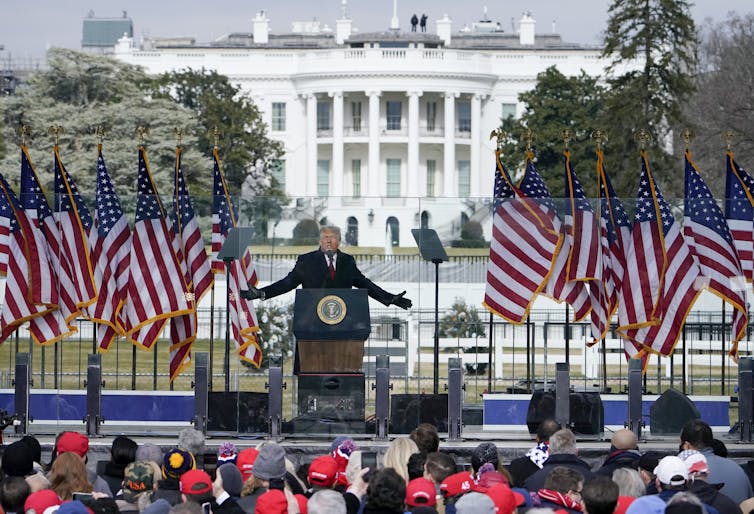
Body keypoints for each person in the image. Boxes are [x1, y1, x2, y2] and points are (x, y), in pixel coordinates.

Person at [242, 225, 411, 309]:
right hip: (312, 321)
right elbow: (288, 283)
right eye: (325, 238)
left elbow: (365, 284)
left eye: (333, 238)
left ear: (339, 241)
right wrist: (262, 293)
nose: (329, 241)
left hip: (343, 321)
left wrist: (389, 299)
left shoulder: (347, 261)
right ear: (320, 241)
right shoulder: (306, 261)